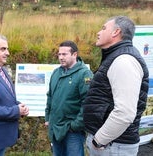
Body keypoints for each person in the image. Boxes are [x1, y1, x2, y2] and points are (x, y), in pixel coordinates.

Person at [83, 16, 149, 156]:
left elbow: (124, 113)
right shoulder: (116, 57)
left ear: (116, 32)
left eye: (104, 28)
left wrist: (99, 140)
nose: (98, 32)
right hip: (111, 145)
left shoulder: (123, 60)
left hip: (112, 146)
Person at [45, 40, 93, 156]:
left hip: (72, 132)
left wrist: (75, 126)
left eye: (64, 54)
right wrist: (48, 118)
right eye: (59, 54)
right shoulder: (56, 72)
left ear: (74, 55)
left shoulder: (84, 74)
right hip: (56, 128)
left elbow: (88, 103)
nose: (61, 57)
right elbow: (50, 96)